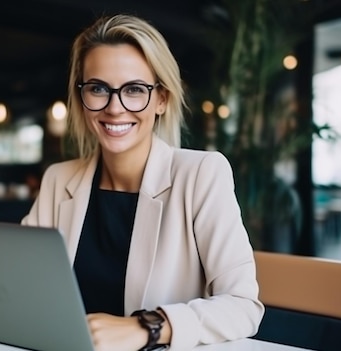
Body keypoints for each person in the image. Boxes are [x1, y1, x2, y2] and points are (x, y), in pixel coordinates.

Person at [21, 14, 264, 351]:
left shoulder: (202, 174)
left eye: (134, 90)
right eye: (98, 89)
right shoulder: (58, 179)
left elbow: (243, 307)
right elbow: (21, 284)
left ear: (161, 99)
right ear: (81, 97)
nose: (115, 108)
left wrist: (146, 328)